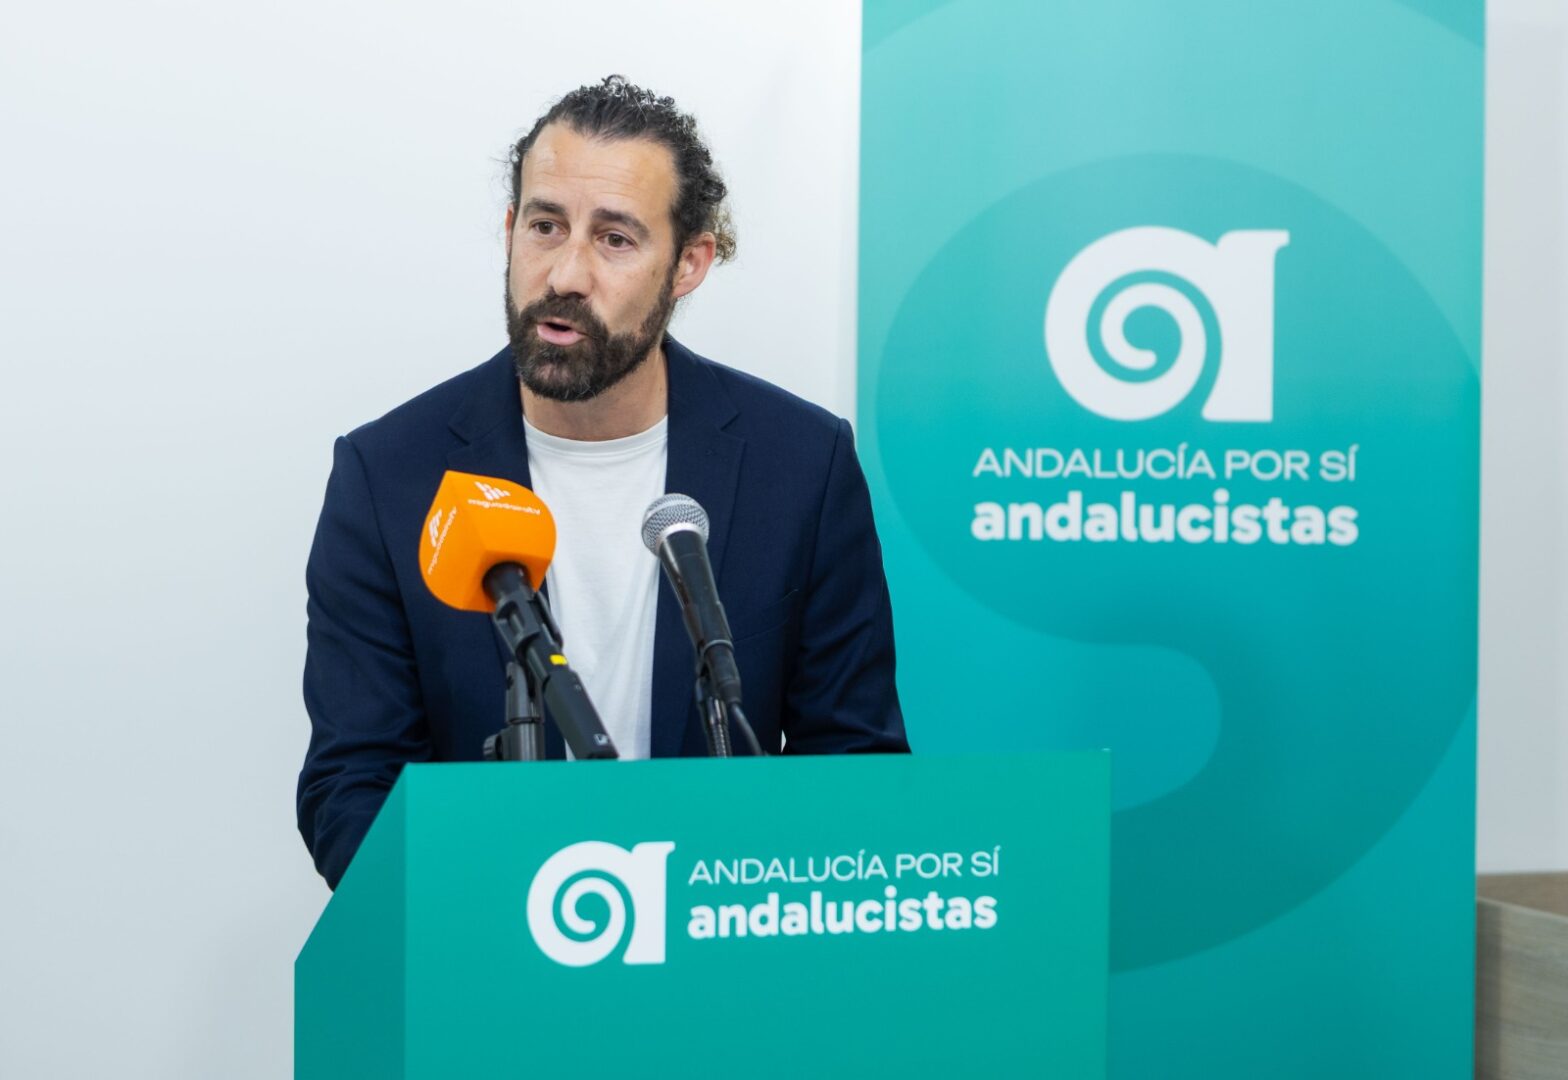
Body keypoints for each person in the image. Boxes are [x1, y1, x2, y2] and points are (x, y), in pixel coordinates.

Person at [298, 76, 908, 890]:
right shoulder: (388, 477)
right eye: (545, 226)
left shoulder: (801, 466)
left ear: (688, 264)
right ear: (510, 230)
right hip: (491, 938)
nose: (566, 274)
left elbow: (856, 765)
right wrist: (486, 921)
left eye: (615, 239)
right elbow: (352, 785)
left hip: (725, 937)